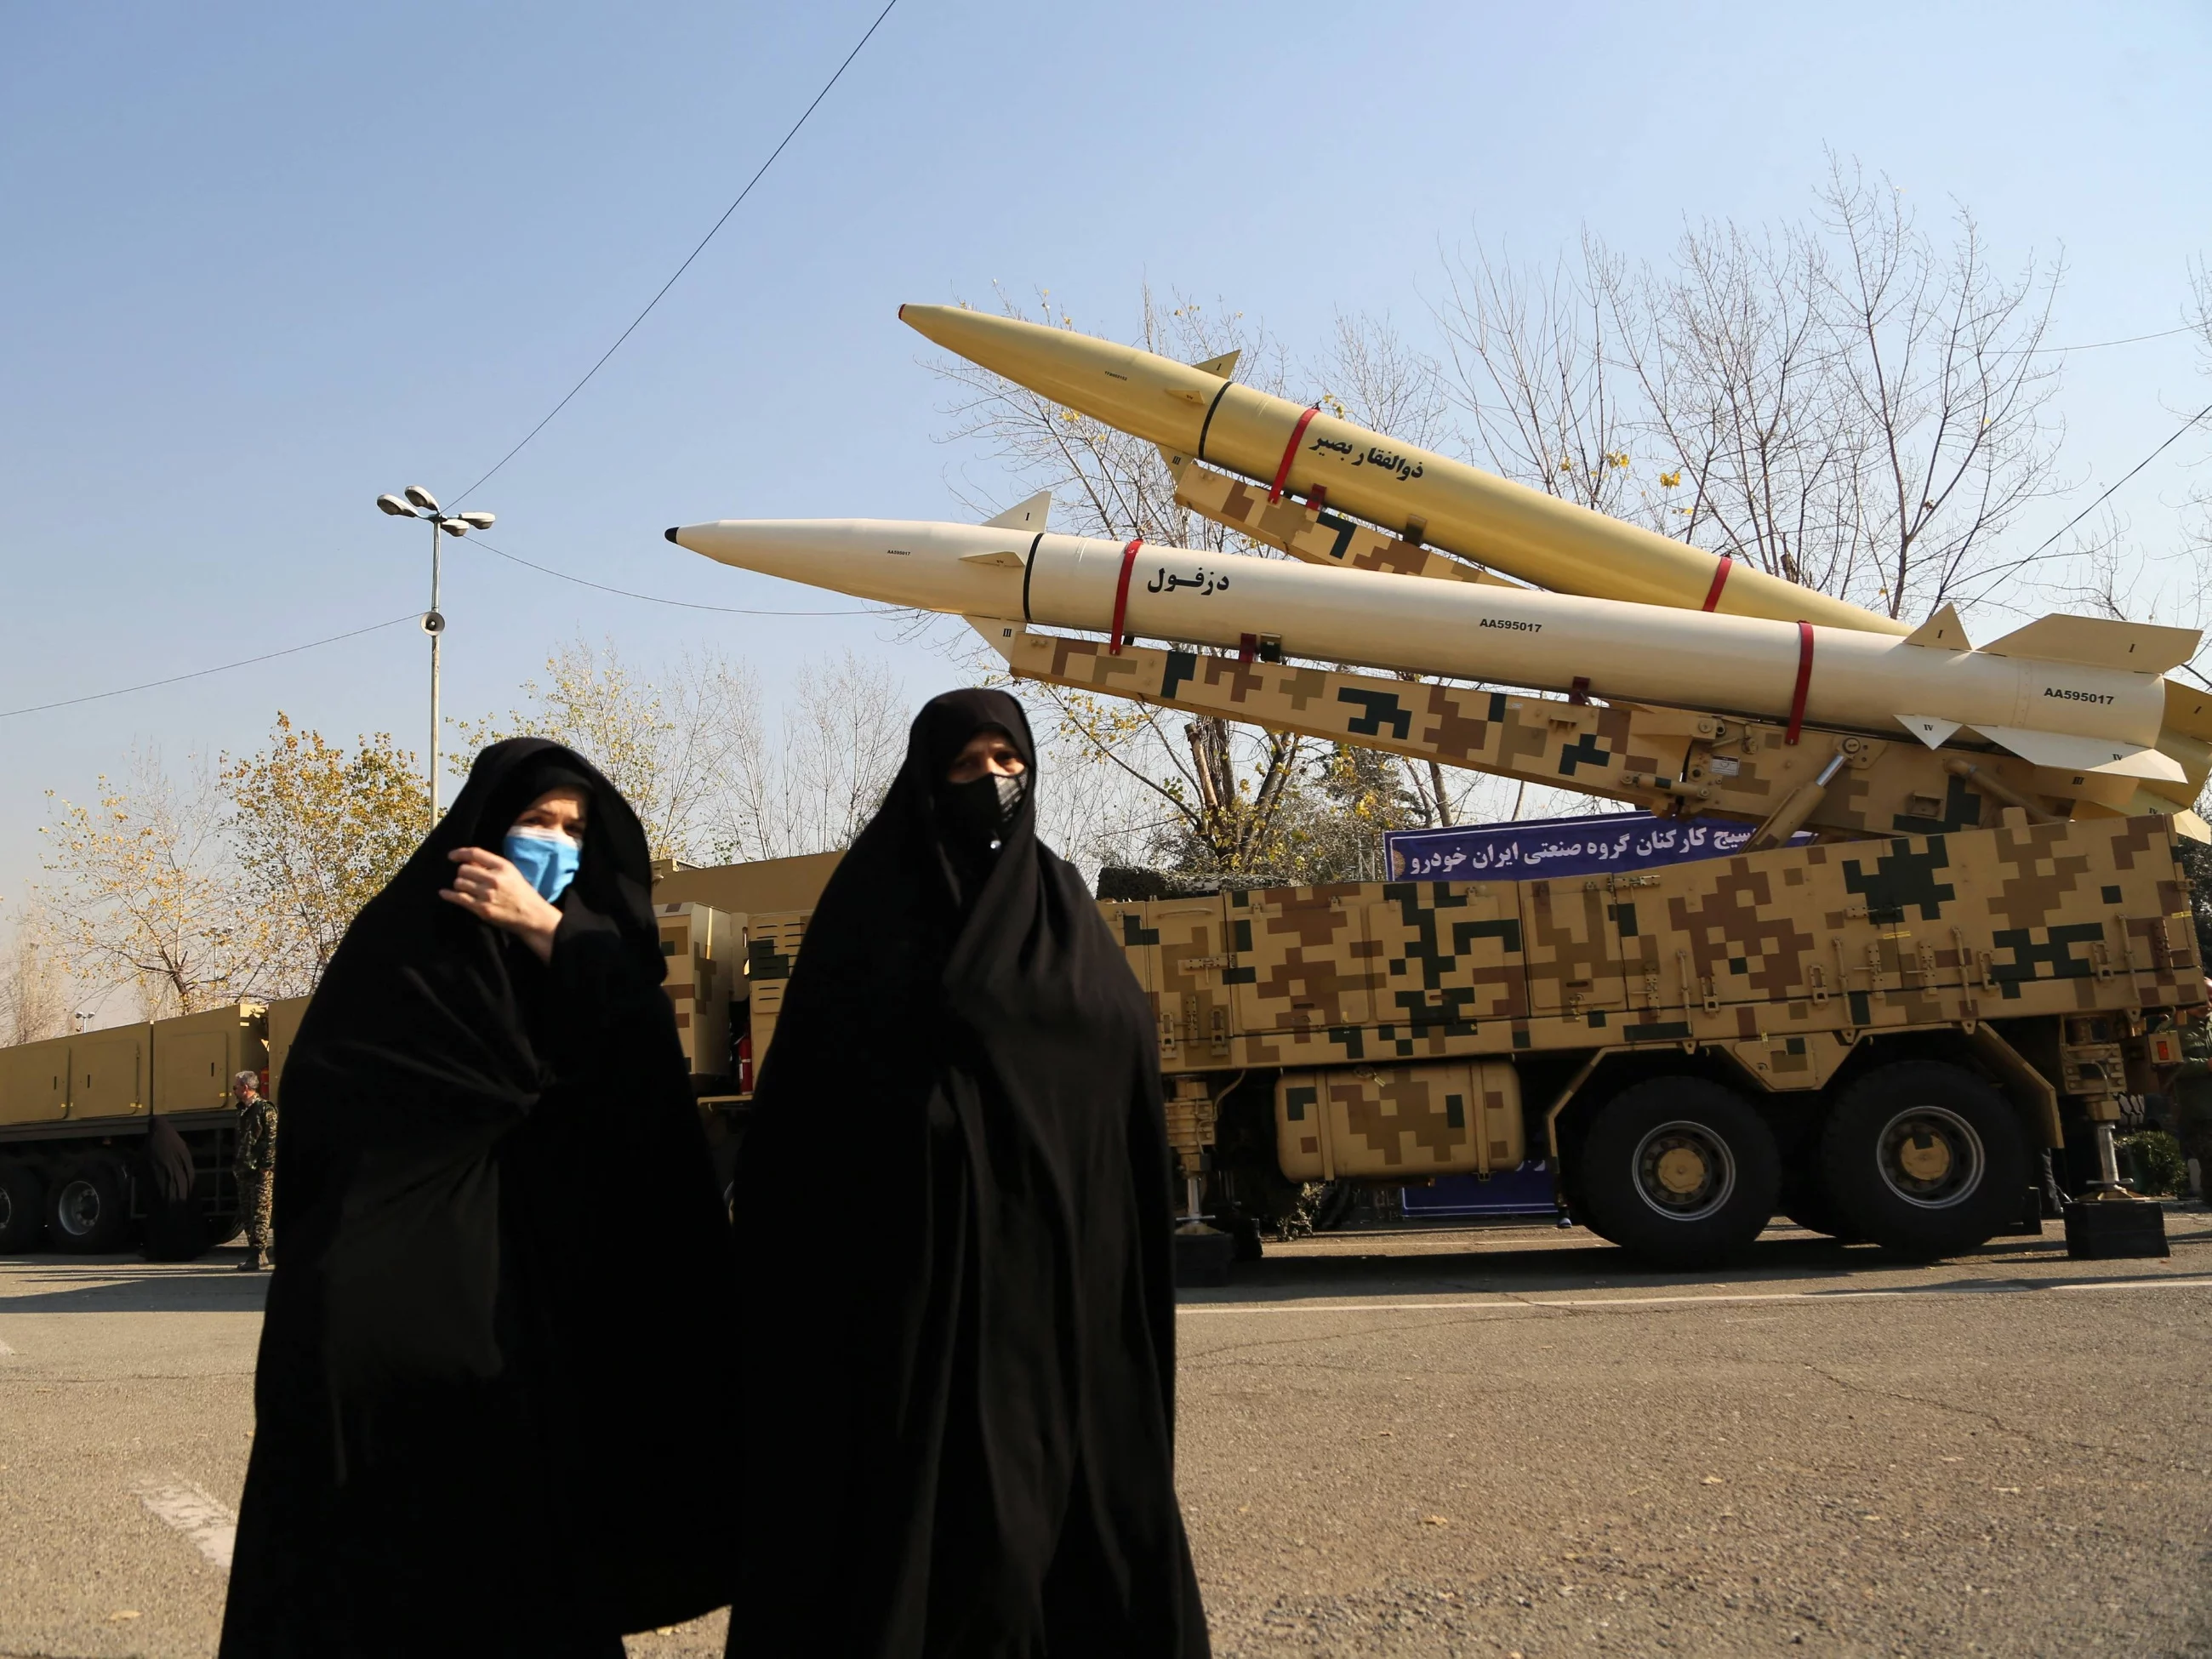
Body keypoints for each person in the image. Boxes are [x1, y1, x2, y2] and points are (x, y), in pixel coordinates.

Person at [219, 738, 741, 1658]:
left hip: (529, 1339)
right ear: (479, 832)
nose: (557, 844)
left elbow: (641, 1095)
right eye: (536, 821)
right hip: (386, 1333)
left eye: (575, 830)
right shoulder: (403, 957)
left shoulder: (587, 965)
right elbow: (343, 1131)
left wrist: (549, 933)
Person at [726, 688, 1210, 1658]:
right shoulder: (872, 909)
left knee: (1063, 1519)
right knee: (928, 1520)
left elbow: (1114, 1059)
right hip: (917, 1284)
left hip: (1059, 1280)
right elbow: (811, 1106)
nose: (992, 780)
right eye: (967, 764)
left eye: (1008, 761)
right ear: (925, 778)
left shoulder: (1061, 903)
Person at [231, 1069, 276, 1270]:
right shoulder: (242, 1111)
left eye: (236, 1087)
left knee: (260, 1211)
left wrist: (266, 1167)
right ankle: (255, 1253)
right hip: (244, 1169)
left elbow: (273, 1140)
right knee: (247, 1212)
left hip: (260, 1171)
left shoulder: (265, 1110)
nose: (234, 1091)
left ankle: (258, 1254)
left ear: (245, 1088)